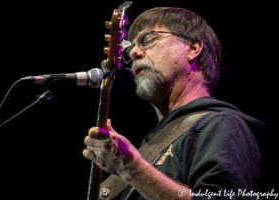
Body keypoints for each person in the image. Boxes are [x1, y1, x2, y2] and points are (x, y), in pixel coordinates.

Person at [82, 7, 266, 200]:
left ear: (193, 48)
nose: (134, 53)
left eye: (149, 40)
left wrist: (132, 169)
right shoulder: (150, 144)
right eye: (131, 48)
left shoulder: (221, 125)